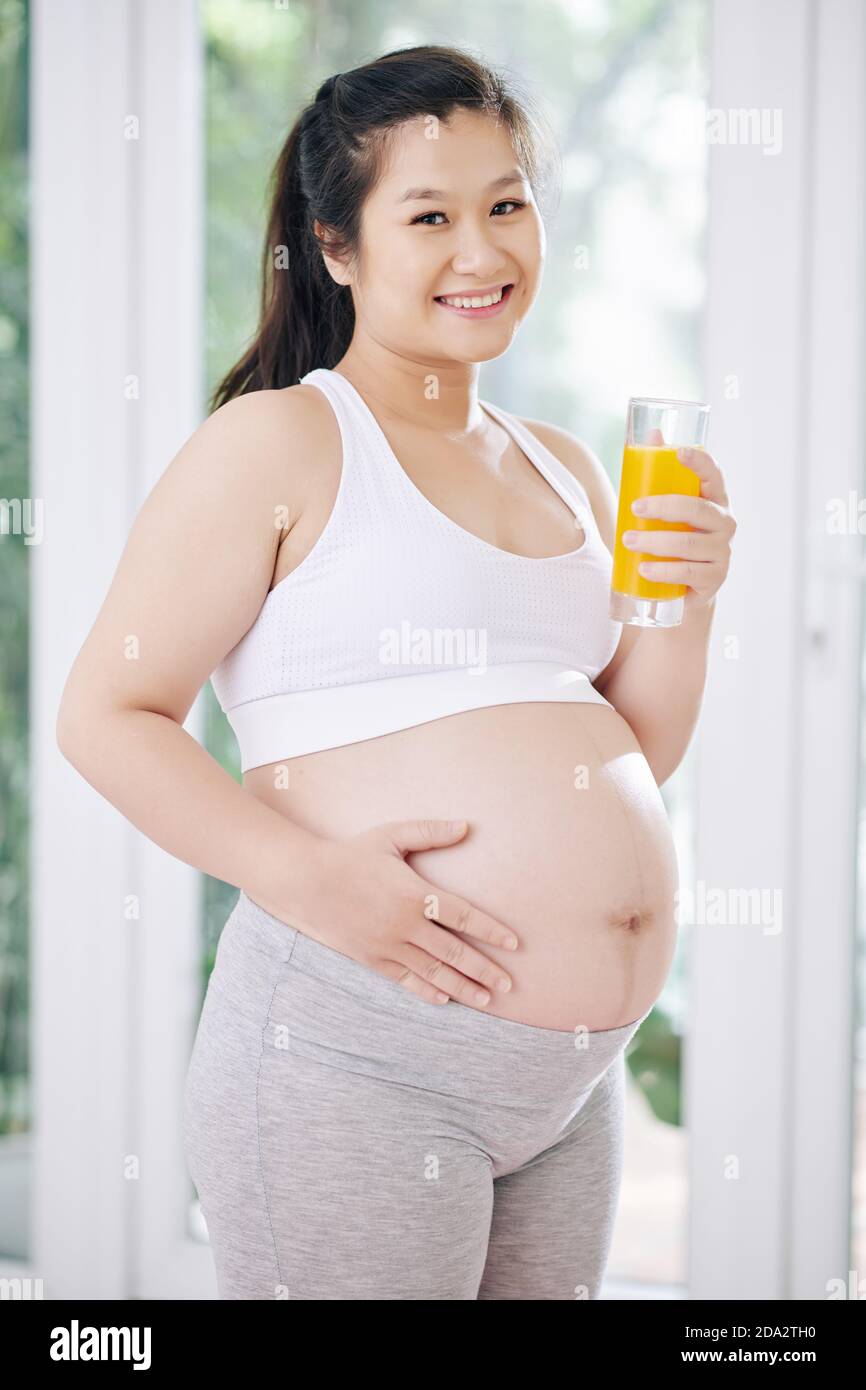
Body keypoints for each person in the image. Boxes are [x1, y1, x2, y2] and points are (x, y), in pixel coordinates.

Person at [56, 43, 735, 1300]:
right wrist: (309, 877)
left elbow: (627, 756)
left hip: (564, 1087)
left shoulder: (563, 469)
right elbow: (107, 714)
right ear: (336, 247)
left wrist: (683, 611)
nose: (479, 252)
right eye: (428, 215)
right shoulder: (280, 441)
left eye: (505, 204)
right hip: (356, 1054)